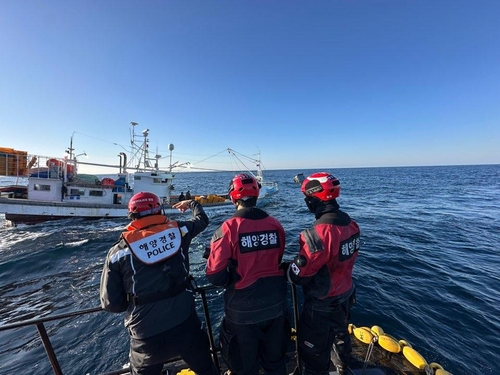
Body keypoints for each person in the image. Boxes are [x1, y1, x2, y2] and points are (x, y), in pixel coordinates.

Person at [100, 192, 218, 375]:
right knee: (207, 369)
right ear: (159, 210)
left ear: (132, 216)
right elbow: (202, 220)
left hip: (145, 335)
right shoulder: (179, 231)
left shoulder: (118, 252)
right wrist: (193, 204)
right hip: (185, 323)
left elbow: (111, 304)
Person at [206, 173, 288, 375]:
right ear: (257, 195)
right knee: (275, 364)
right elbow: (277, 258)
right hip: (276, 304)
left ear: (233, 198)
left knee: (245, 368)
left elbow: (214, 275)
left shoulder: (227, 229)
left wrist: (231, 277)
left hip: (243, 311)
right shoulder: (275, 225)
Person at [287, 172, 360, 375]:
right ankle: (342, 368)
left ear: (313, 199)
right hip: (346, 295)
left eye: (307, 198)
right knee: (340, 337)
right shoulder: (352, 225)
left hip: (322, 306)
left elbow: (298, 276)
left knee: (312, 355)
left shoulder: (317, 234)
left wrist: (291, 267)